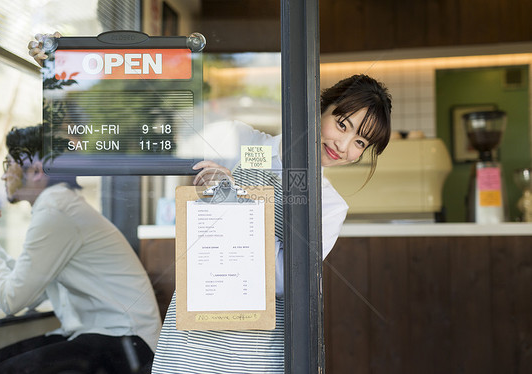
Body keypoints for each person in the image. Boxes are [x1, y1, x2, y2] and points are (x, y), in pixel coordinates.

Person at [152, 74, 392, 373]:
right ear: (319, 108)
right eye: (342, 124)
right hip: (191, 343)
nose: (343, 145)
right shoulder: (245, 144)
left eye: (360, 142)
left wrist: (231, 203)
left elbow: (282, 278)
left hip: (254, 352)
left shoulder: (329, 204)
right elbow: (183, 128)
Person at [0, 125, 161, 374]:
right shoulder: (59, 205)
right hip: (104, 335)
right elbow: (32, 291)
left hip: (129, 342)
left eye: (9, 165)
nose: (3, 175)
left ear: (37, 171)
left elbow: (12, 300)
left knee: (4, 370)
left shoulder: (55, 210)